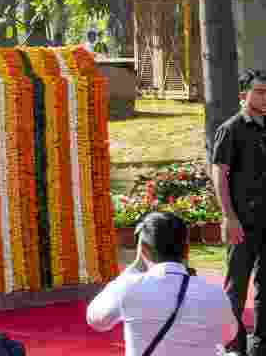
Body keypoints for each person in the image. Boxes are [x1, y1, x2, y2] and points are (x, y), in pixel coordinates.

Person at [86, 211, 232, 356]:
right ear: (186, 250)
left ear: (143, 249)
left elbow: (96, 319)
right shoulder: (214, 293)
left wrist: (134, 267)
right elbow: (228, 336)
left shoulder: (128, 287)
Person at [212, 69, 266, 356]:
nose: (265, 97)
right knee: (236, 287)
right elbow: (220, 174)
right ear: (243, 95)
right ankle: (234, 347)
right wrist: (229, 217)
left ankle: (261, 346)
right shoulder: (230, 129)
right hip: (242, 222)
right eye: (259, 91)